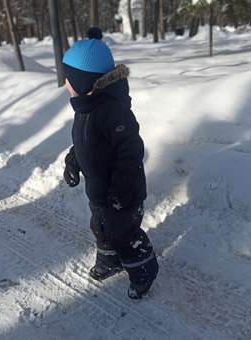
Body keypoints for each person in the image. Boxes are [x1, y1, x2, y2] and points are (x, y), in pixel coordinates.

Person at [62, 27, 159, 299]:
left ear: (83, 82)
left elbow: (130, 153)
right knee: (100, 227)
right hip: (100, 192)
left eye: (68, 79)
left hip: (121, 194)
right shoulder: (85, 108)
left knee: (124, 235)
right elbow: (84, 143)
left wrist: (120, 193)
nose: (65, 84)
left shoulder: (112, 112)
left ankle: (144, 272)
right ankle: (109, 261)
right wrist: (73, 161)